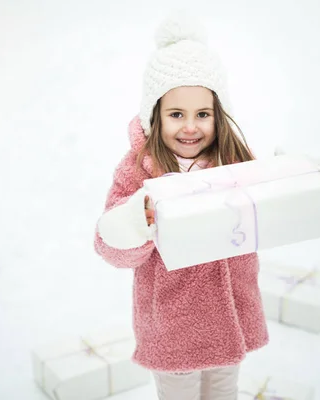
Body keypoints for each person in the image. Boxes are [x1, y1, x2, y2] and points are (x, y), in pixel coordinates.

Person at [94, 13, 268, 400]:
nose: (190, 127)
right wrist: (136, 220)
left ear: (218, 116)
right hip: (174, 324)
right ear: (155, 115)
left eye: (202, 114)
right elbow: (108, 244)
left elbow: (268, 205)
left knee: (224, 389)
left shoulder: (237, 159)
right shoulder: (139, 170)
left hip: (230, 313)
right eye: (176, 114)